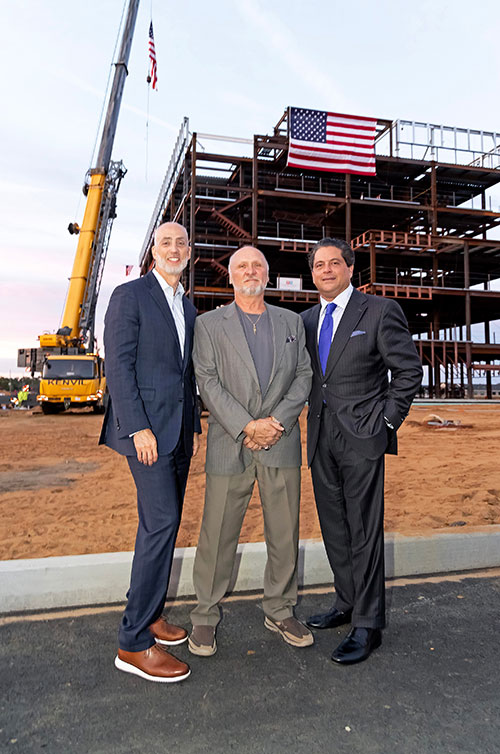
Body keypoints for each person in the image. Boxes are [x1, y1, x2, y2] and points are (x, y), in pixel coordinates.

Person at [301, 237, 423, 665]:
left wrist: (386, 422)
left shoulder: (378, 311)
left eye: (336, 263)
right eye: (320, 265)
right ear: (312, 273)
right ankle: (346, 602)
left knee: (364, 530)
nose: (328, 270)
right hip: (319, 437)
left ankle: (368, 624)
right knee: (334, 527)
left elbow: (408, 370)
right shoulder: (307, 319)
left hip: (362, 436)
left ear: (351, 269)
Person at [189, 245, 313, 655]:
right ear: (230, 276)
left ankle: (279, 607)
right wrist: (246, 426)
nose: (250, 271)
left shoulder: (291, 321)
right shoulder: (208, 325)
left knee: (284, 531)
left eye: (257, 265)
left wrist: (275, 423)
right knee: (217, 534)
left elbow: (303, 375)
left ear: (268, 274)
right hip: (230, 443)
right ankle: (205, 615)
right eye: (241, 266)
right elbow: (207, 381)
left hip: (280, 441)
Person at [99, 222, 201, 683]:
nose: (175, 248)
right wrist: (137, 426)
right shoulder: (130, 295)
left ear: (189, 253)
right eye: (166, 242)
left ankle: (152, 611)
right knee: (161, 523)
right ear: (152, 252)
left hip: (178, 433)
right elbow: (117, 365)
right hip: (147, 435)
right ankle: (133, 641)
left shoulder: (187, 305)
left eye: (182, 242)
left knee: (162, 524)